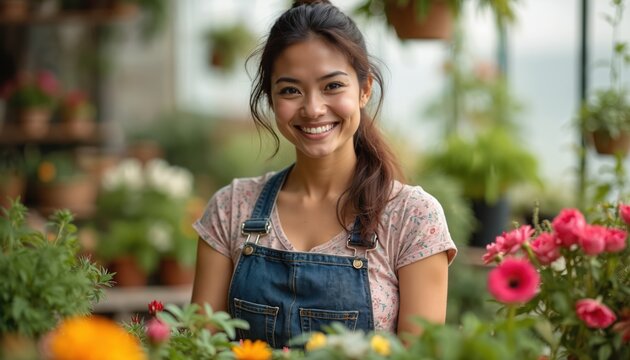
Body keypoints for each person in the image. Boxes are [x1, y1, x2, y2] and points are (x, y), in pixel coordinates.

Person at [191, 0, 457, 348]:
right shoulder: (231, 208)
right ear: (271, 100)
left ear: (364, 90)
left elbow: (422, 356)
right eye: (290, 90)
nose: (313, 108)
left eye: (332, 86)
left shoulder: (412, 217)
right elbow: (196, 347)